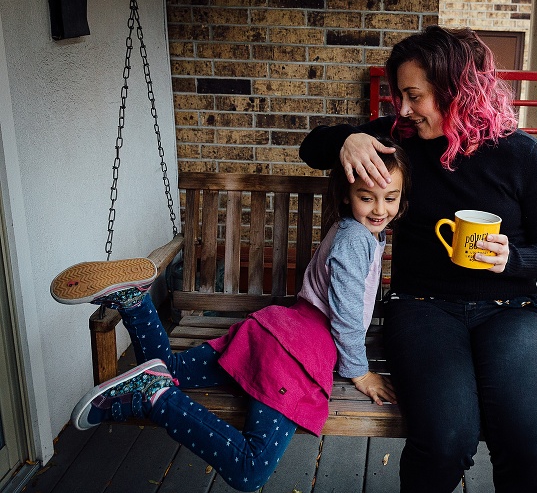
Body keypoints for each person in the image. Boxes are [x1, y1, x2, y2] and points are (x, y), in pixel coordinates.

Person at [299, 25, 537, 492]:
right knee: (444, 441)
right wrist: (347, 140)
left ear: (455, 92)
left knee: (531, 446)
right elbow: (311, 148)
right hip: (422, 307)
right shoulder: (398, 140)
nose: (401, 109)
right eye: (399, 96)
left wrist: (512, 260)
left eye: (413, 96)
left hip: (510, 312)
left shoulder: (523, 156)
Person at [49, 145, 410, 492]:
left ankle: (134, 302)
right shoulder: (357, 241)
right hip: (297, 356)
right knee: (249, 470)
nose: (380, 209)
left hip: (274, 329)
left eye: (389, 198)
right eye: (367, 197)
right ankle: (157, 398)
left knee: (167, 367)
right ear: (347, 195)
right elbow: (346, 313)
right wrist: (360, 372)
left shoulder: (352, 230)